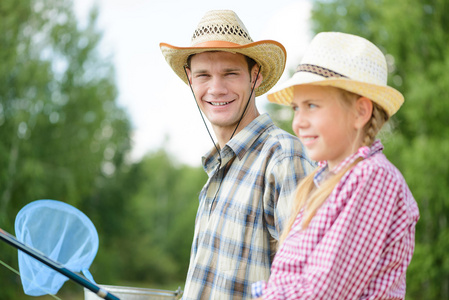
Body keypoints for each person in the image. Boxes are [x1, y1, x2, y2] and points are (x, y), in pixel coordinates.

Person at [251, 32, 420, 299]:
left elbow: (323, 292)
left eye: (312, 105)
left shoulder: (374, 178)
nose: (298, 122)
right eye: (296, 108)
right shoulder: (325, 180)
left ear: (360, 112)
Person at [160, 9, 314, 300]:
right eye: (204, 75)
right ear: (190, 79)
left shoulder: (283, 158)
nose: (216, 88)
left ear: (254, 77)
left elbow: (306, 285)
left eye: (230, 73)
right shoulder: (219, 168)